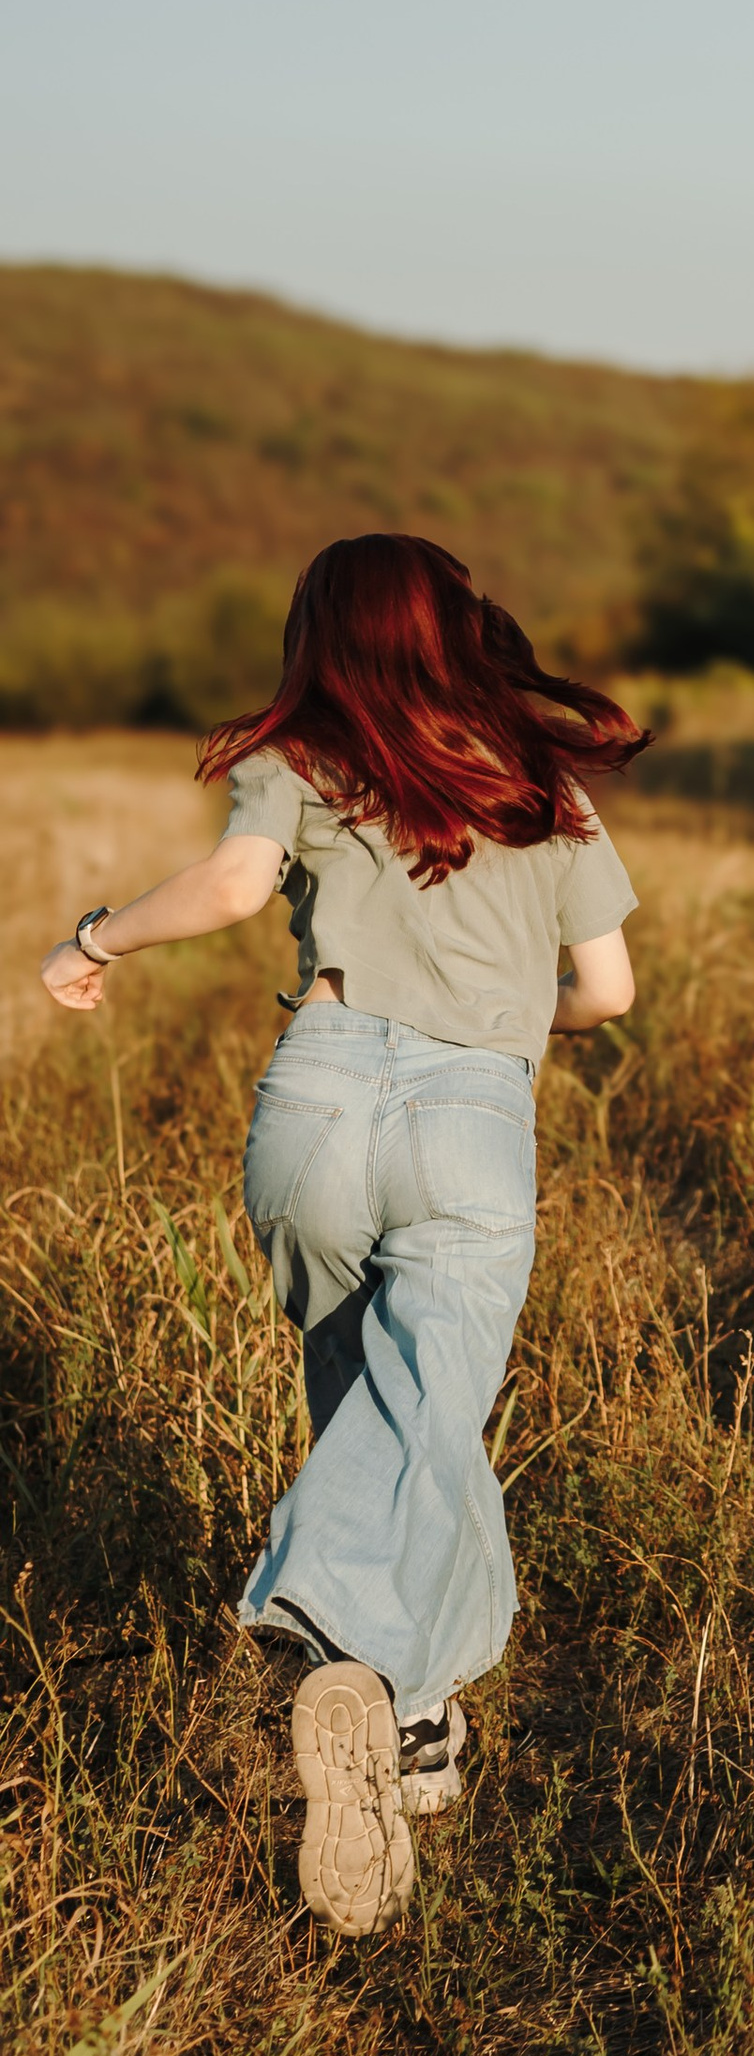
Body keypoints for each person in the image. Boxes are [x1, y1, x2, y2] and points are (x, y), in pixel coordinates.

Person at [37, 534, 650, 1937]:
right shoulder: (538, 784)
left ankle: (414, 1727)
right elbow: (606, 990)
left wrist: (97, 937)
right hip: (470, 1117)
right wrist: (504, 1015)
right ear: (461, 631)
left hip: (313, 1104)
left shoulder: (304, 753)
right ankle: (338, 1630)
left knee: (383, 1407)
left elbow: (239, 891)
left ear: (322, 635)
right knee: (424, 1410)